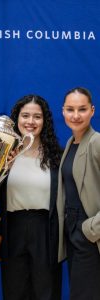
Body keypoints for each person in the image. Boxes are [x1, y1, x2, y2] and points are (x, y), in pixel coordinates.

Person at [0, 95, 62, 300]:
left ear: (45, 121)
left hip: (46, 230)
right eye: (25, 115)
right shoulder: (4, 152)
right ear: (17, 118)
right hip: (13, 229)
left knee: (46, 290)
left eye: (37, 116)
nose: (30, 122)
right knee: (14, 290)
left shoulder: (56, 156)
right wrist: (1, 171)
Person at [57, 87, 100, 299]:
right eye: (70, 109)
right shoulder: (70, 143)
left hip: (90, 234)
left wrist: (91, 229)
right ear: (63, 111)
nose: (75, 115)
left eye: (82, 109)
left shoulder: (97, 142)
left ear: (92, 111)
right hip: (72, 233)